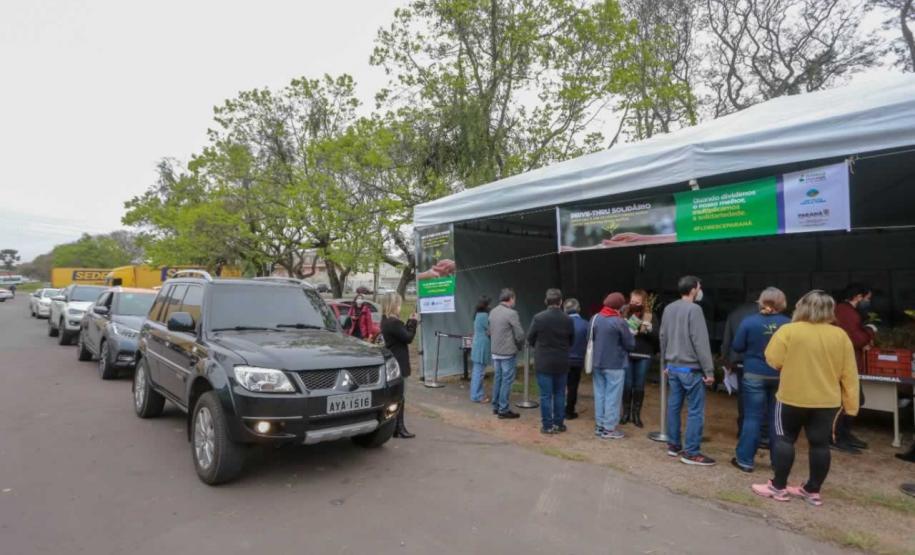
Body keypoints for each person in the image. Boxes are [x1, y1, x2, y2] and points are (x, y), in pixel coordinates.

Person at [751, 290, 859, 506]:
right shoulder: (840, 336)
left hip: (792, 396)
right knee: (820, 445)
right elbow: (849, 373)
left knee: (784, 439)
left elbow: (773, 359)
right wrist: (851, 405)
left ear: (802, 307)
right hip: (827, 401)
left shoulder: (789, 331)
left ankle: (778, 486)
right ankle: (812, 490)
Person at [731, 287, 791, 473]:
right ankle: (778, 462)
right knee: (777, 420)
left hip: (753, 373)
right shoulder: (789, 324)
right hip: (780, 375)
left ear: (761, 301)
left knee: (752, 417)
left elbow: (737, 346)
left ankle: (745, 460)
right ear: (782, 303)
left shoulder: (749, 321)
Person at [659, 276, 716, 466]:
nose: (700, 290)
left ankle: (673, 445)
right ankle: (691, 452)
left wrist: (665, 363)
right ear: (693, 290)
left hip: (673, 366)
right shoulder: (695, 309)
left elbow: (662, 336)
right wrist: (709, 371)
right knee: (695, 411)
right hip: (691, 369)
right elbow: (700, 341)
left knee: (674, 407)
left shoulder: (669, 308)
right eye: (699, 287)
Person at [832, 283, 873, 453]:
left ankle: (844, 434)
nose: (868, 302)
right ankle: (836, 436)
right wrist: (870, 331)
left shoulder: (845, 311)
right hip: (844, 364)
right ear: (858, 297)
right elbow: (857, 339)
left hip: (848, 363)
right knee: (846, 401)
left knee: (855, 400)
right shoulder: (845, 312)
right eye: (867, 298)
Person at [527, 289, 574, 434]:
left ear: (546, 301)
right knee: (560, 394)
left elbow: (530, 338)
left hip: (544, 361)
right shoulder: (568, 319)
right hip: (562, 361)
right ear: (561, 302)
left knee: (546, 395)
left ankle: (547, 426)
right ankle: (559, 424)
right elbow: (572, 340)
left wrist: (540, 346)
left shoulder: (538, 318)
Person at [591, 292, 635, 440]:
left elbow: (590, 339)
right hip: (615, 364)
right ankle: (609, 429)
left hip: (597, 362)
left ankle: (599, 426)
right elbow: (630, 344)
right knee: (613, 397)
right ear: (619, 306)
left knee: (600, 394)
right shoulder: (619, 322)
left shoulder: (595, 318)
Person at [721, 292, 762, 436]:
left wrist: (726, 359)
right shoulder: (764, 314)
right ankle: (761, 432)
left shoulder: (735, 313)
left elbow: (727, 339)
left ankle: (743, 428)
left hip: (739, 361)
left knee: (743, 397)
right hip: (761, 362)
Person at [379, 292, 419, 439]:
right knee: (400, 396)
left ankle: (396, 427)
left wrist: (408, 322)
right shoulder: (393, 322)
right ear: (394, 304)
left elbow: (402, 335)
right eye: (399, 303)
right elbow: (408, 338)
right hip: (399, 363)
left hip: (393, 362)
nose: (400, 306)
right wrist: (413, 323)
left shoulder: (385, 321)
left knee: (397, 396)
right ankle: (399, 428)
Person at [621, 289, 657, 428]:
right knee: (627, 384)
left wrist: (649, 330)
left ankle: (636, 414)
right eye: (632, 301)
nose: (634, 304)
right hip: (628, 353)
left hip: (644, 354)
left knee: (639, 385)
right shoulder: (624, 313)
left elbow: (658, 337)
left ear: (643, 302)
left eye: (637, 302)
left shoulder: (650, 316)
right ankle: (625, 413)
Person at [489, 288, 525, 419]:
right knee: (507, 380)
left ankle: (496, 406)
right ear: (510, 299)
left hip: (495, 351)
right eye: (514, 299)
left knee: (498, 378)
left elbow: (490, 331)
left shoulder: (492, 311)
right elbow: (520, 333)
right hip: (507, 352)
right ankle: (503, 409)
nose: (515, 301)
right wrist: (520, 345)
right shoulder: (511, 313)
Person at [564, 298, 589, 420]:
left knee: (560, 385)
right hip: (577, 359)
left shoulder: (561, 322)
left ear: (565, 309)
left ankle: (559, 409)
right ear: (578, 309)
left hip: (562, 359)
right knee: (573, 386)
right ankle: (569, 410)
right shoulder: (585, 324)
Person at [469, 296, 492, 404]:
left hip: (477, 345)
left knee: (477, 372)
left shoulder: (477, 314)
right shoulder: (484, 316)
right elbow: (490, 330)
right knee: (479, 373)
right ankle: (477, 396)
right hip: (482, 346)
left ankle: (478, 394)